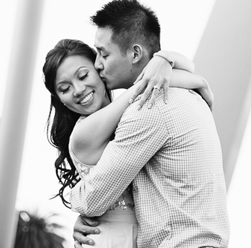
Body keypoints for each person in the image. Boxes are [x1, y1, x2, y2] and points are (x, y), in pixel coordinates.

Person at [68, 0, 229, 248]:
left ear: (135, 53)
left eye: (103, 53)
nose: (97, 64)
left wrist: (80, 207)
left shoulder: (149, 107)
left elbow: (93, 200)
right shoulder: (186, 92)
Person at [43, 38, 212, 248]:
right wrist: (192, 78)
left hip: (141, 236)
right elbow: (142, 87)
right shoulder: (83, 133)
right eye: (64, 88)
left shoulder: (128, 117)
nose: (77, 90)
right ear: (59, 99)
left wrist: (164, 60)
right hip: (109, 239)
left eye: (83, 75)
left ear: (99, 69)